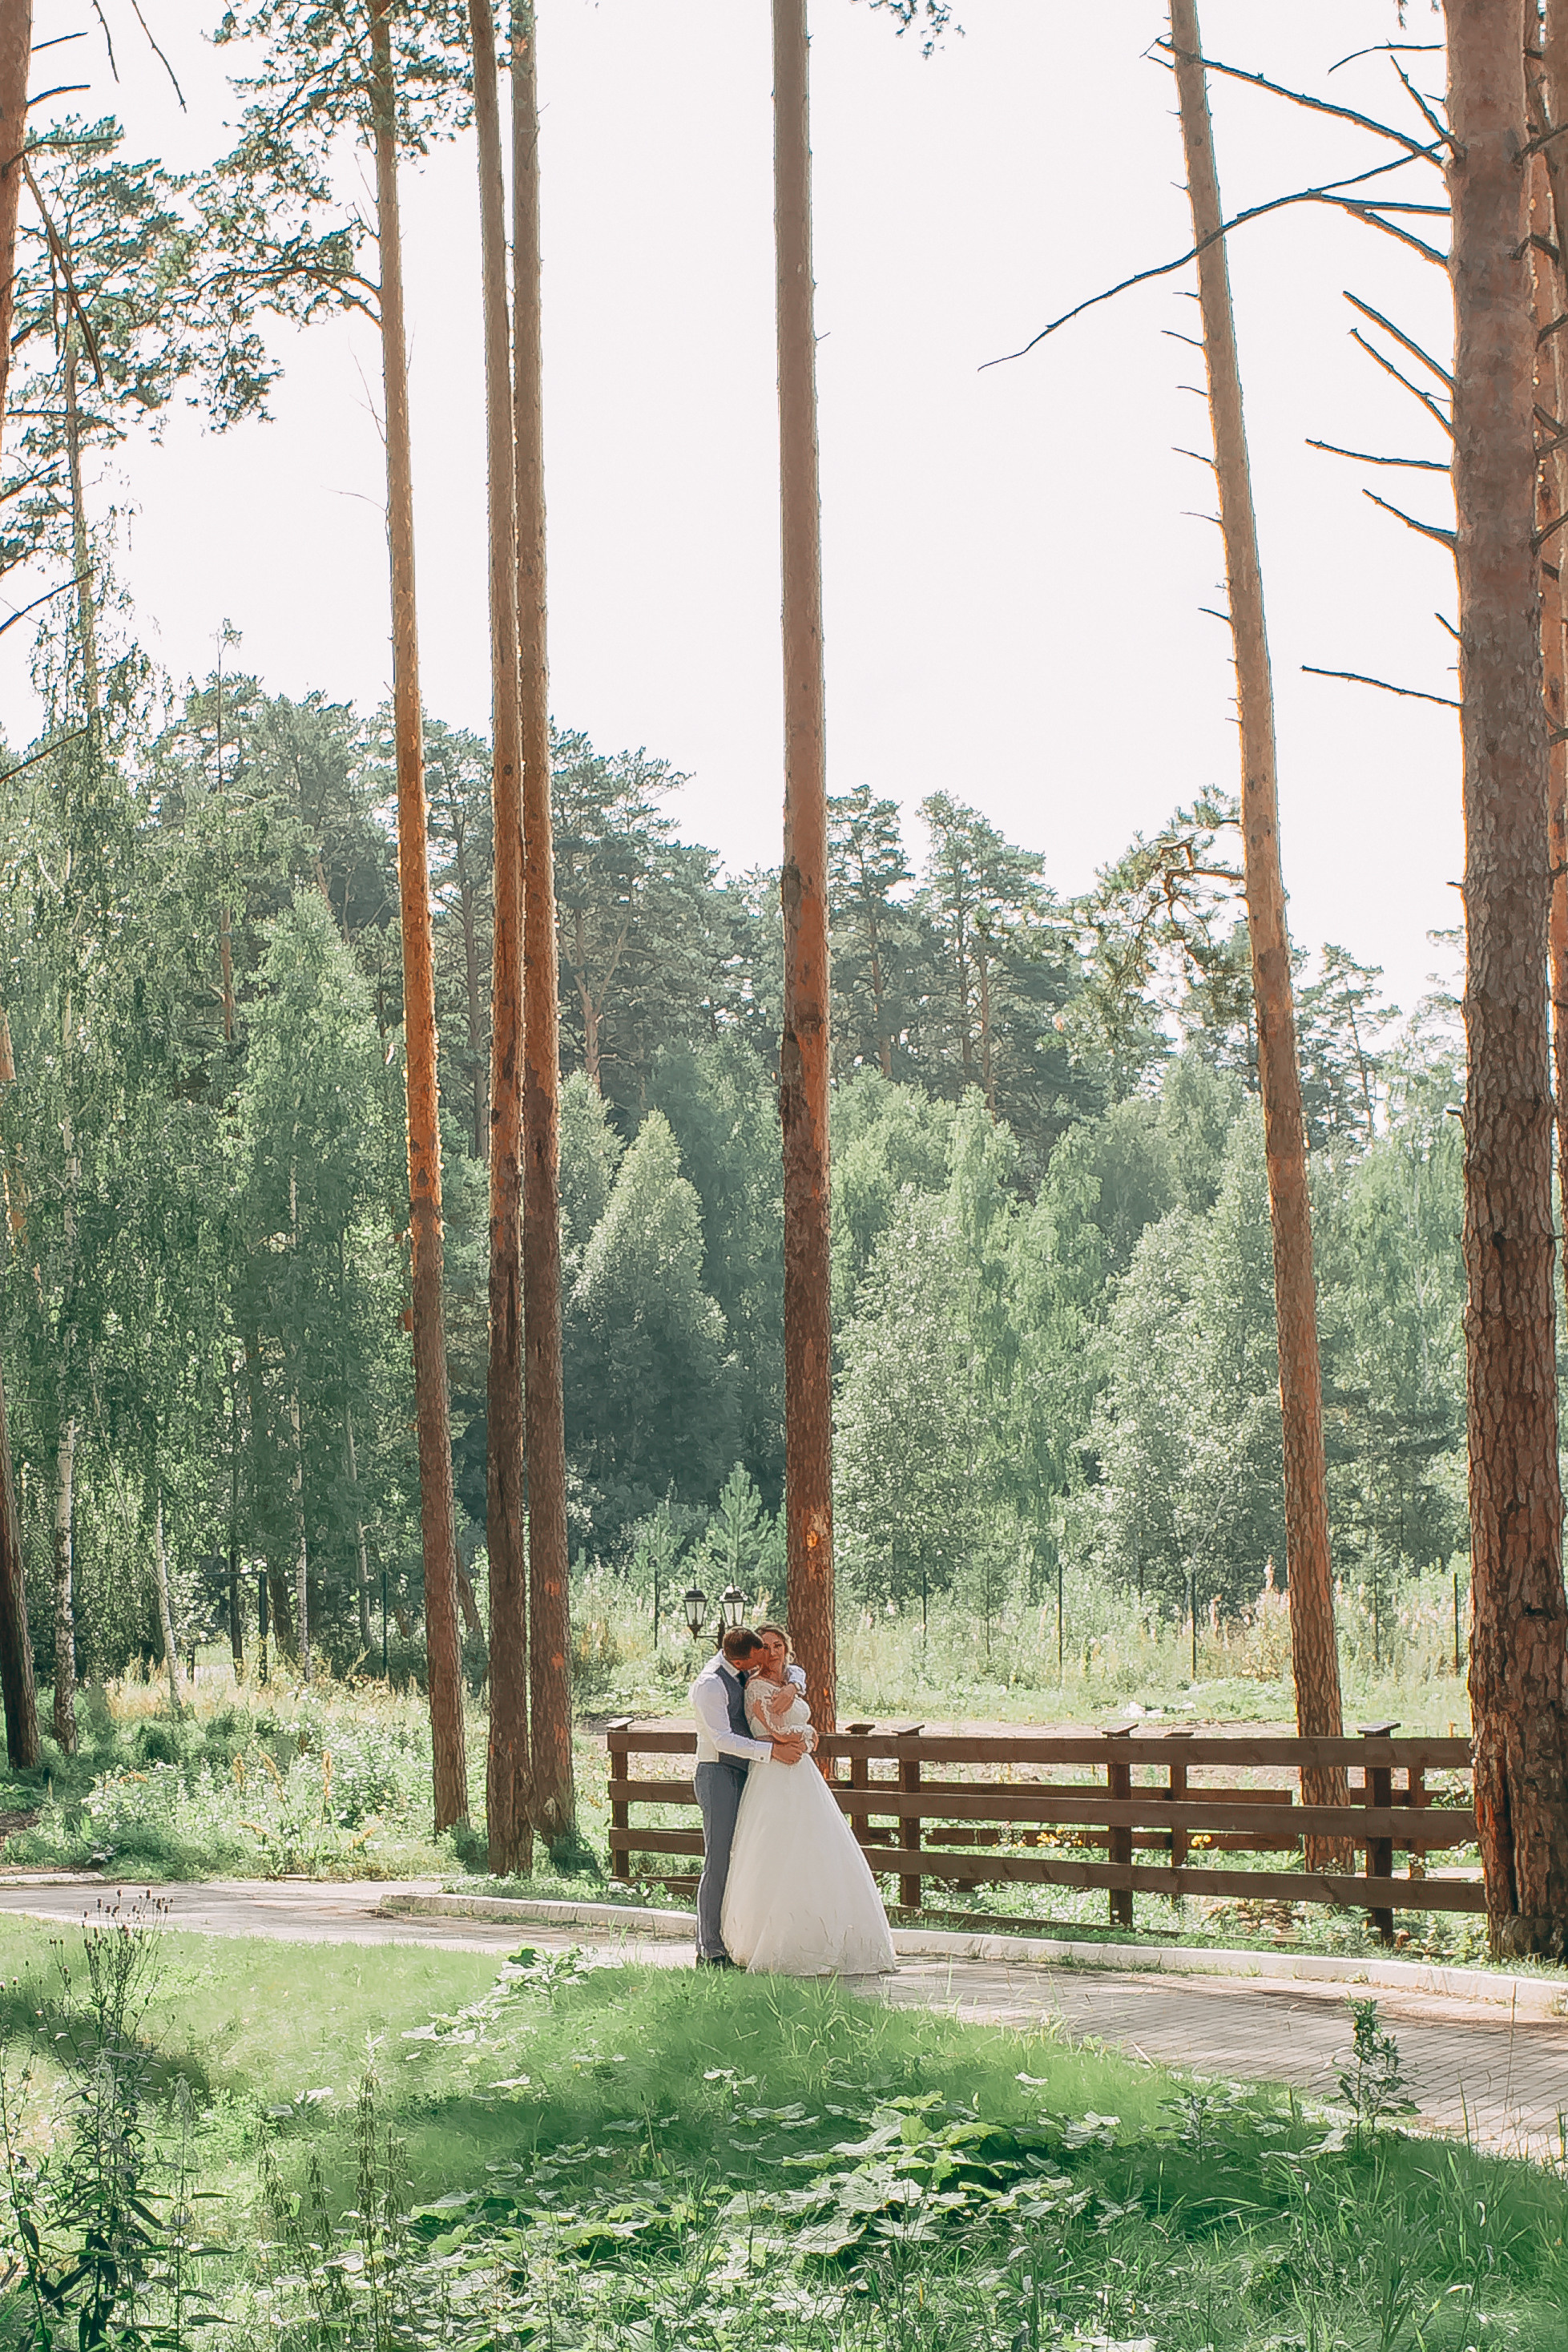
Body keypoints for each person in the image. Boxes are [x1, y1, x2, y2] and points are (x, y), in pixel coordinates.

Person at [720, 1629, 897, 1976]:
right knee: (777, 1851)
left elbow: (802, 1724)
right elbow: (775, 1732)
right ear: (756, 1652)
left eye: (778, 1645)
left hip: (803, 1774)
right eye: (766, 1647)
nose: (772, 1652)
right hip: (774, 1773)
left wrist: (807, 1730)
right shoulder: (755, 1686)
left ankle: (827, 1935)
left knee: (818, 1847)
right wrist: (803, 1734)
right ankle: (775, 1941)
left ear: (787, 1648)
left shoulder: (792, 1680)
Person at [691, 1625, 808, 1967]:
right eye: (759, 1656)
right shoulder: (711, 1684)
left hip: (749, 1773)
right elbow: (723, 1740)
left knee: (747, 1855)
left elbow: (791, 1667)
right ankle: (709, 1948)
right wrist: (772, 1751)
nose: (766, 1660)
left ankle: (738, 1936)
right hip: (719, 1773)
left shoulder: (742, 1668)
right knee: (719, 1858)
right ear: (740, 1658)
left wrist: (793, 1683)